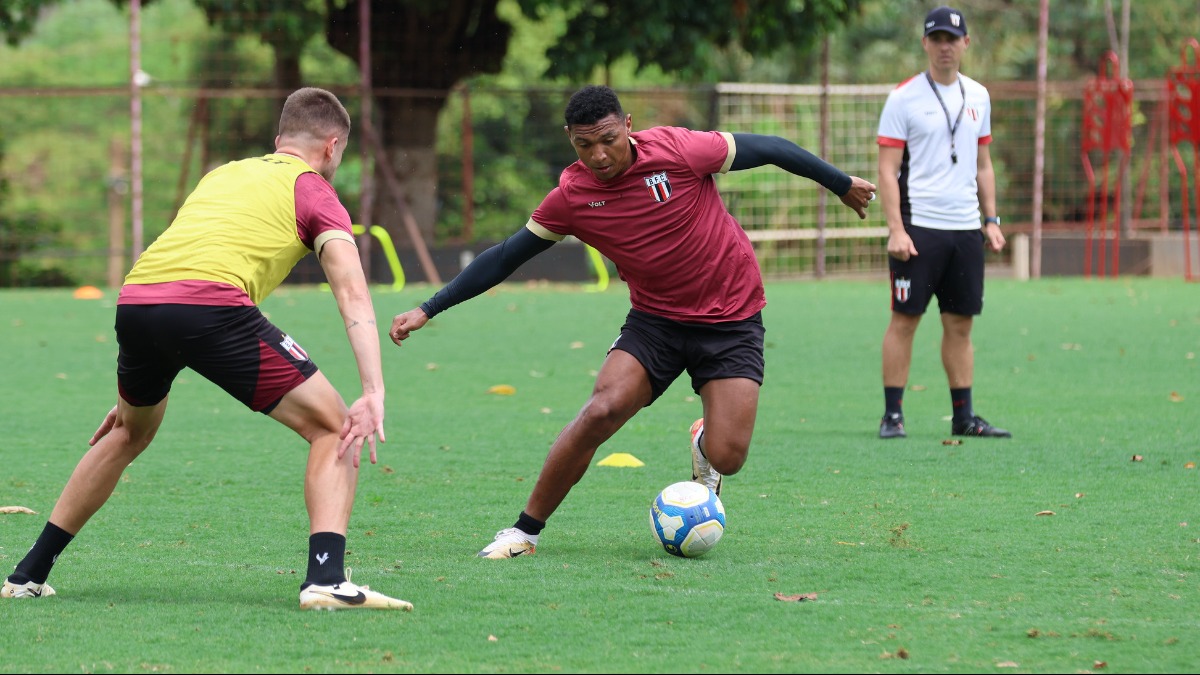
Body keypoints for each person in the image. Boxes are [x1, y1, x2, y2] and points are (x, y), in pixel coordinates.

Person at [389, 84, 877, 558]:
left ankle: (703, 442)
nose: (598, 156)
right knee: (602, 408)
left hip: (732, 317)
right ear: (570, 139)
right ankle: (524, 531)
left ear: (627, 126)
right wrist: (428, 308)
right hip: (656, 321)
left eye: (608, 140)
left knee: (729, 456)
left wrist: (841, 183)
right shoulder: (571, 196)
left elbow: (770, 148)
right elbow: (503, 257)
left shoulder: (681, 150)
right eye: (584, 145)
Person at [1, 87, 412, 610]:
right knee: (335, 426)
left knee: (129, 430)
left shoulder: (223, 173)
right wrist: (373, 390)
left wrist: (140, 381)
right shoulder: (313, 190)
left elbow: (184, 256)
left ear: (278, 138)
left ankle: (26, 574)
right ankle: (327, 581)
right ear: (332, 147)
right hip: (209, 306)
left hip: (138, 301)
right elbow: (352, 290)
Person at [875, 6, 1010, 440]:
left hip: (965, 228)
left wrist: (990, 219)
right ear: (925, 44)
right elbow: (887, 169)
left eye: (953, 39)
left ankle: (964, 417)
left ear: (966, 44)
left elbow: (983, 164)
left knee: (960, 324)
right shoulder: (904, 98)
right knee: (905, 319)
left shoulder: (979, 96)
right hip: (919, 228)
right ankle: (893, 415)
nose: (945, 46)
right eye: (937, 38)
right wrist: (896, 228)